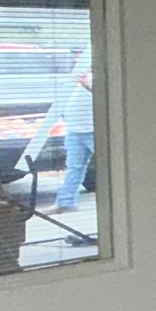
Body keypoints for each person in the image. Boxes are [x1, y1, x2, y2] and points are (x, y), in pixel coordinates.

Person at [52, 52, 94, 214]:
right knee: (74, 167)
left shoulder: (97, 78)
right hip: (74, 131)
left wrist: (87, 85)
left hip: (92, 131)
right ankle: (66, 202)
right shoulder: (75, 80)